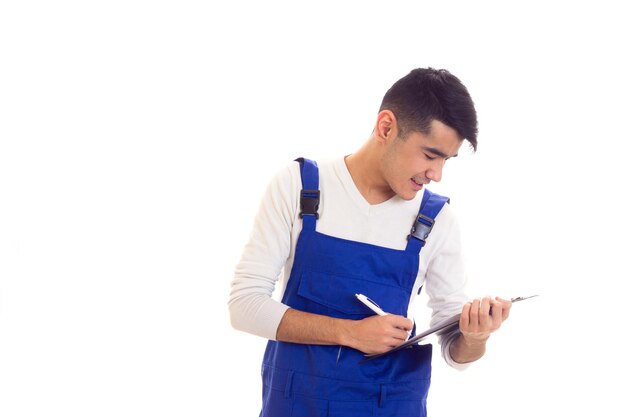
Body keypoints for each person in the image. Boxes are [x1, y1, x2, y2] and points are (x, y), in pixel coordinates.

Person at [229, 67, 513, 417]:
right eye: (429, 155)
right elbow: (244, 306)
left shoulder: (437, 221)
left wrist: (476, 337)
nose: (436, 174)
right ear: (386, 127)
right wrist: (350, 333)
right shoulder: (300, 188)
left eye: (445, 160)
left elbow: (457, 353)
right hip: (297, 405)